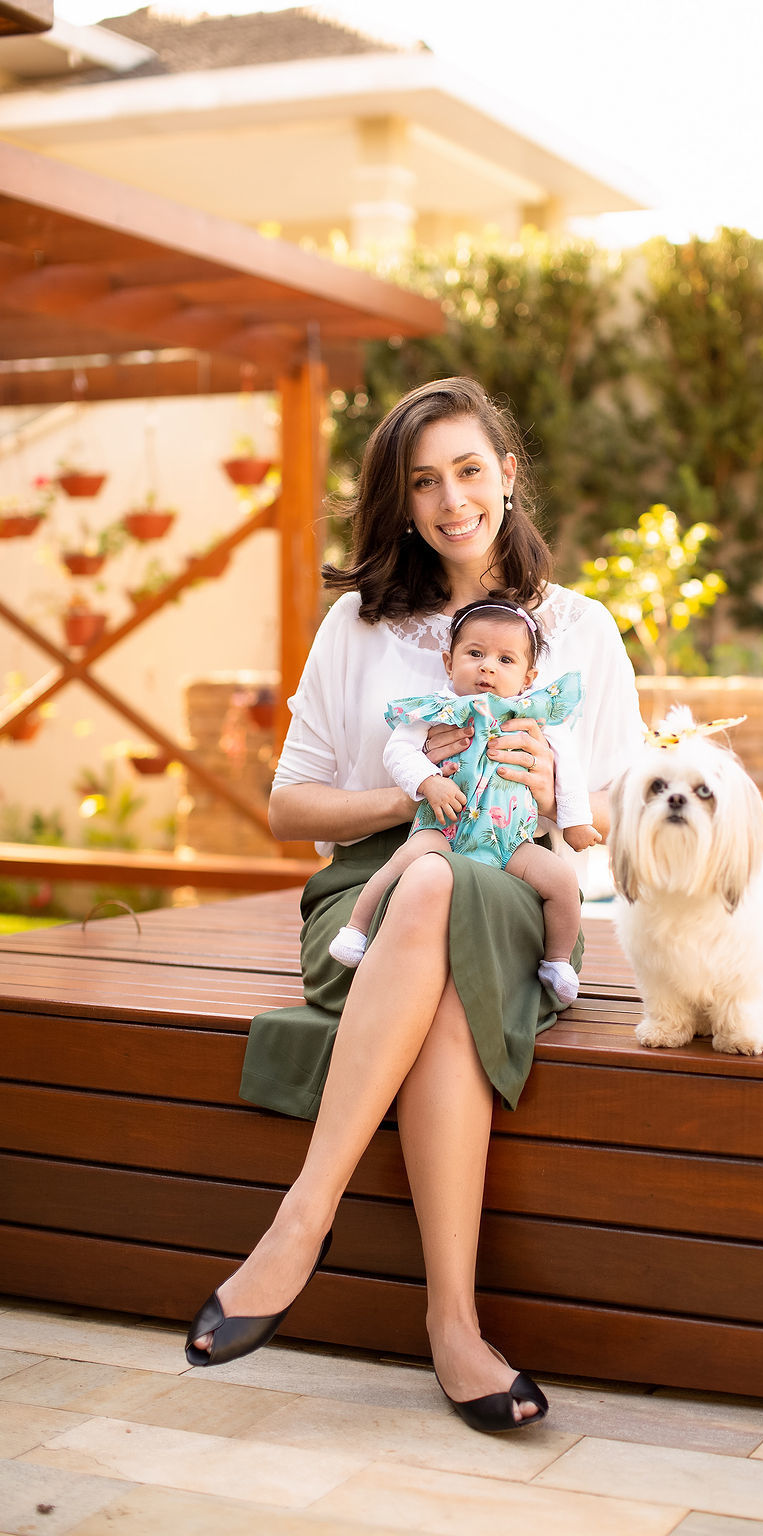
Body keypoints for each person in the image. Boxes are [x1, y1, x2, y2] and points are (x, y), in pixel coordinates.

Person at [184, 376, 645, 1432]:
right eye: (425, 481)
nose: (451, 501)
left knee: (446, 887)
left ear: (508, 477)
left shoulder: (581, 630)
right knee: (429, 886)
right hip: (369, 894)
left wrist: (549, 791)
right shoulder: (358, 627)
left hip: (513, 886)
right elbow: (289, 806)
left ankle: (303, 1222)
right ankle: (452, 1328)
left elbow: (610, 828)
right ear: (400, 500)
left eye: (470, 471)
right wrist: (411, 793)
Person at [328, 595, 600, 1005]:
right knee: (401, 863)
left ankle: (557, 960)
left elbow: (569, 771)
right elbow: (398, 752)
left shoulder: (535, 719)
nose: (488, 666)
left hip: (509, 839)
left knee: (561, 879)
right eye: (475, 654)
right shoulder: (438, 709)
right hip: (444, 830)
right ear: (449, 663)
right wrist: (427, 782)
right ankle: (356, 929)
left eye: (505, 659)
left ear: (529, 677)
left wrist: (574, 820)